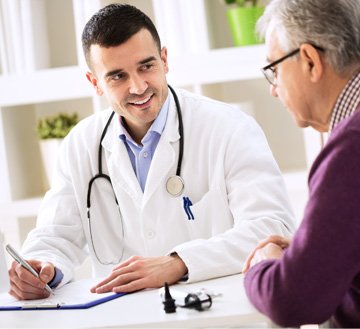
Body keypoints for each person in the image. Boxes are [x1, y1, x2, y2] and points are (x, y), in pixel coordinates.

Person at [8, 3, 295, 301]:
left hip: (218, 311)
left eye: (146, 66)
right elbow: (56, 235)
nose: (138, 86)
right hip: (125, 317)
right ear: (95, 83)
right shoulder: (80, 144)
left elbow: (270, 228)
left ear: (165, 60)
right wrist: (42, 267)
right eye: (117, 76)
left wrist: (179, 262)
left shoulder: (229, 128)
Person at [242, 0, 360, 327]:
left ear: (309, 61)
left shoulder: (351, 147)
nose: (274, 91)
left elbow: (290, 300)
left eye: (275, 69)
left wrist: (263, 266)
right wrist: (316, 249)